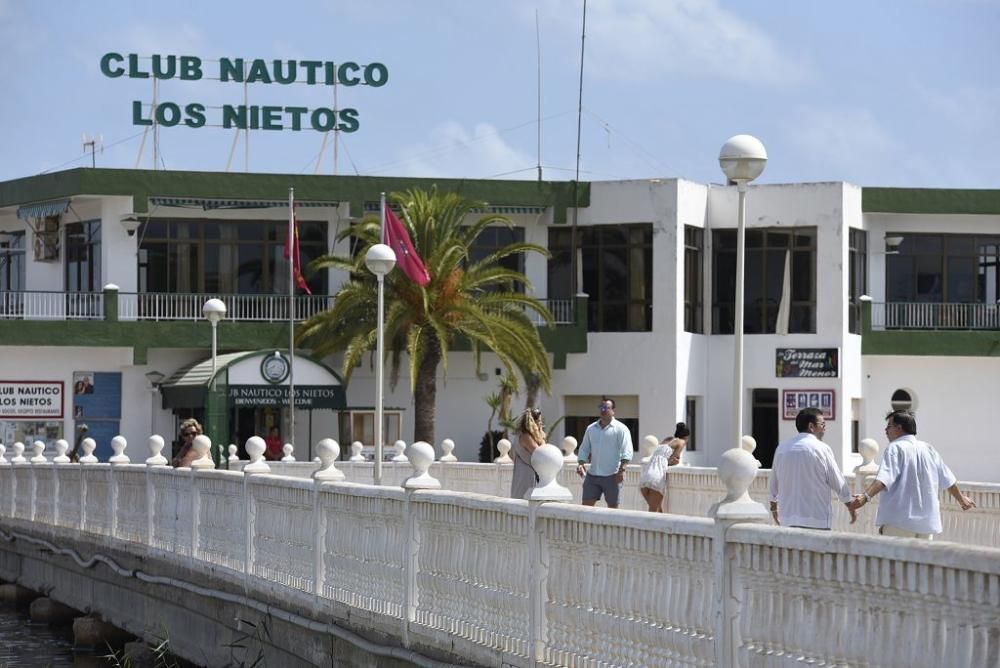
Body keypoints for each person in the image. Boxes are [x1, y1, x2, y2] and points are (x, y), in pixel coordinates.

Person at [848, 410, 975, 539]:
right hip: (926, 524)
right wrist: (961, 499)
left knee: (894, 559)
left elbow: (884, 478)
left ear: (899, 427)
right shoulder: (928, 449)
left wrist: (865, 497)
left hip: (900, 521)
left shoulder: (895, 447)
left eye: (889, 426)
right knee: (921, 559)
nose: (886, 430)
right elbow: (948, 479)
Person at [768, 407, 856, 529]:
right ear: (811, 426)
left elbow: (773, 483)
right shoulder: (822, 449)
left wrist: (774, 508)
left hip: (787, 520)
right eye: (823, 424)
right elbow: (837, 481)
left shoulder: (782, 448)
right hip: (816, 520)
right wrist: (849, 504)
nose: (825, 428)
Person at [576, 397, 634, 508]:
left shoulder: (621, 429)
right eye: (601, 407)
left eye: (606, 408)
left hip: (612, 476)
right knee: (585, 508)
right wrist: (581, 463)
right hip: (592, 476)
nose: (603, 410)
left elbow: (626, 450)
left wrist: (622, 470)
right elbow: (584, 448)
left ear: (613, 411)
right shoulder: (591, 428)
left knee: (613, 510)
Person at [638, 422, 690, 512]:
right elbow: (673, 459)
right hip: (656, 477)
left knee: (658, 509)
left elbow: (661, 456)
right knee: (654, 512)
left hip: (645, 476)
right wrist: (674, 462)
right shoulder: (681, 442)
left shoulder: (668, 439)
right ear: (686, 437)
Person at [511, 407, 545, 499]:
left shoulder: (520, 436)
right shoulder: (526, 437)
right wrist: (540, 434)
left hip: (522, 475)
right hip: (527, 477)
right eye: (539, 422)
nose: (541, 424)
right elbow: (542, 453)